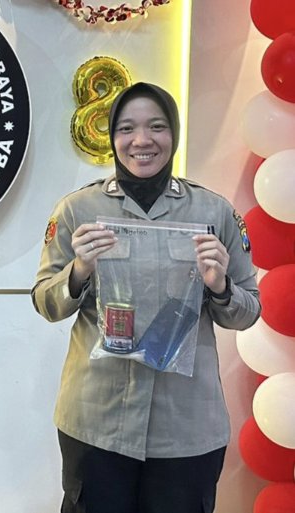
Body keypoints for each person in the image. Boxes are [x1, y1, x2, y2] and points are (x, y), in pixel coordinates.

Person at [32, 82, 261, 513]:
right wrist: (79, 271)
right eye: (126, 128)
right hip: (97, 422)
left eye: (157, 126)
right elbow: (45, 302)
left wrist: (220, 286)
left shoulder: (214, 213)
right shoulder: (77, 210)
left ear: (173, 133)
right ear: (112, 136)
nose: (142, 140)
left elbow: (248, 312)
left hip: (186, 429)